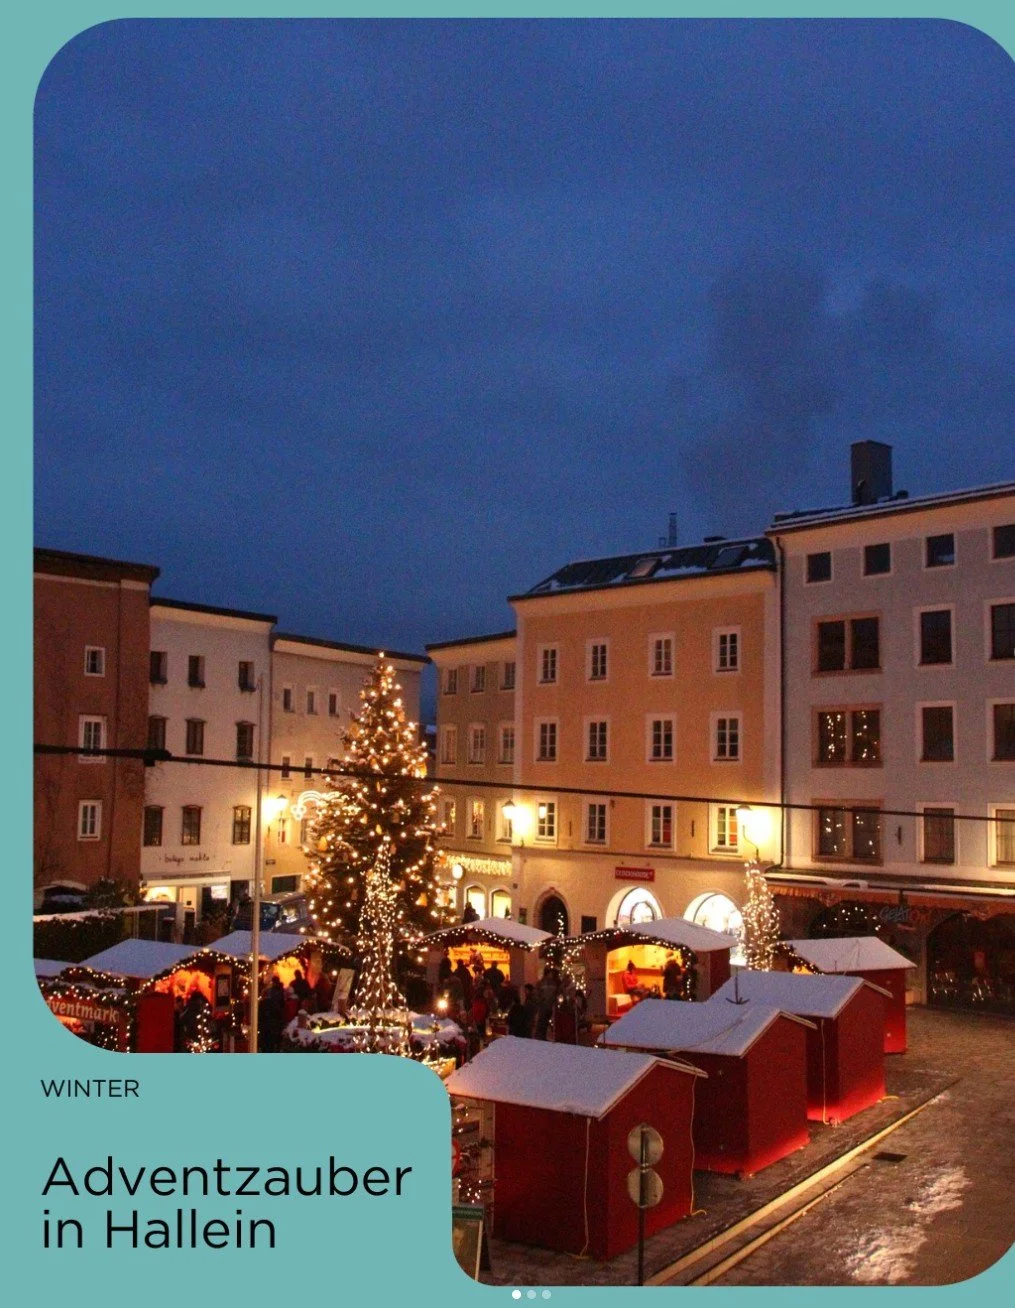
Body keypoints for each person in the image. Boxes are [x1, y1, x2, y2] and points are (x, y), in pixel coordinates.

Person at [259, 975, 286, 1053]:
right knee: (271, 1043)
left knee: (266, 1043)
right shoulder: (279, 992)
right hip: (273, 1025)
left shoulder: (263, 1003)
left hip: (267, 1025)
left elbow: (260, 1015)